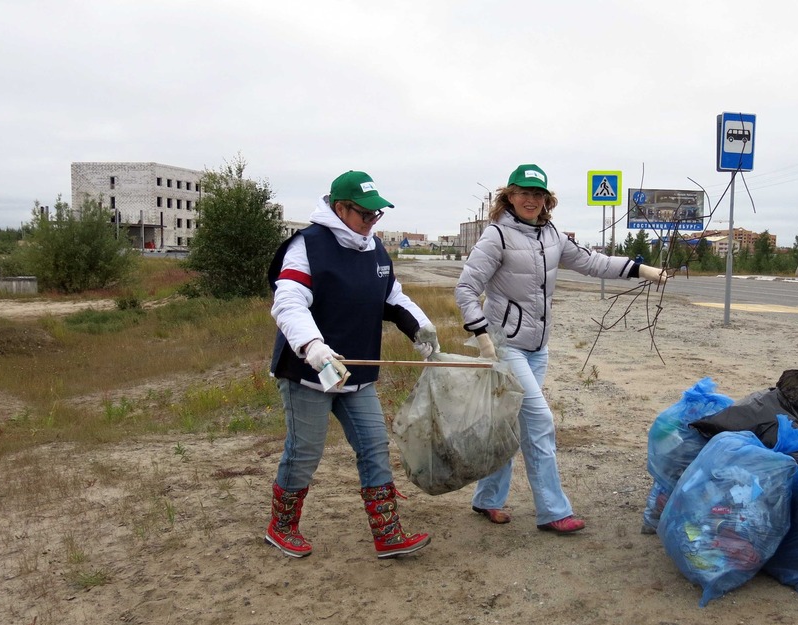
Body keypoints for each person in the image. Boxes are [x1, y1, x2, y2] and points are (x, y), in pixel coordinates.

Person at [455, 163, 667, 533]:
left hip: (538, 347)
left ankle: (487, 499)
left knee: (508, 422)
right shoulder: (497, 237)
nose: (530, 200)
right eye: (523, 193)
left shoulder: (552, 236)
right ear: (509, 196)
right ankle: (554, 511)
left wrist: (639, 269)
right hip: (505, 347)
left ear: (546, 199)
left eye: (537, 194)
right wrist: (482, 335)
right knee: (539, 422)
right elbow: (466, 289)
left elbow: (591, 262)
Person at [265, 170, 439, 559]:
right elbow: (288, 300)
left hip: (356, 374)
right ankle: (282, 526)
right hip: (309, 372)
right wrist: (313, 346)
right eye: (365, 214)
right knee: (306, 450)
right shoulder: (307, 246)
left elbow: (392, 298)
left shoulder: (374, 249)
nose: (372, 222)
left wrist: (422, 330)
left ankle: (388, 533)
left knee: (374, 445)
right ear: (340, 208)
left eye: (377, 215)